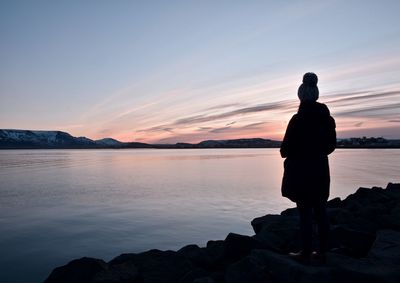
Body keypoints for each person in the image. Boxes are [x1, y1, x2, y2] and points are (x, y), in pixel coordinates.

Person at [280, 72, 336, 264]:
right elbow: (330, 147)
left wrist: (299, 150)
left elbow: (284, 150)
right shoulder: (328, 119)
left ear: (300, 95)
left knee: (304, 213)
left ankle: (305, 252)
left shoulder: (297, 120)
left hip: (301, 172)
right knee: (321, 211)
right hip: (320, 170)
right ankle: (323, 252)